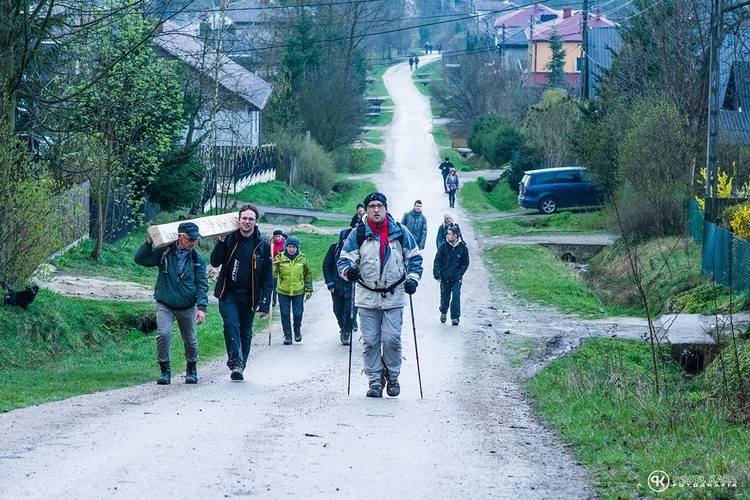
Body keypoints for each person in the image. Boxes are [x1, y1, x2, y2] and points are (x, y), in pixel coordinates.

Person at [337, 192, 423, 398]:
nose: (376, 210)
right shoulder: (357, 234)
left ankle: (392, 376)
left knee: (392, 339)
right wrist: (349, 272)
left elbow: (415, 259)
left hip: (394, 294)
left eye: (379, 206)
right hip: (367, 296)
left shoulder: (400, 232)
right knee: (370, 341)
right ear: (366, 210)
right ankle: (375, 381)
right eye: (372, 206)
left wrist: (413, 279)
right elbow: (343, 261)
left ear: (385, 208)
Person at [134, 221, 208, 385]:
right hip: (165, 303)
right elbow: (140, 259)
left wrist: (201, 308)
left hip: (186, 305)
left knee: (190, 339)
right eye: (190, 239)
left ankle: (191, 369)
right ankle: (165, 371)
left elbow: (202, 284)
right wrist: (148, 242)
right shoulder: (164, 252)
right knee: (164, 334)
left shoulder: (197, 259)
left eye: (195, 239)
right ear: (180, 237)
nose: (193, 243)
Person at [211, 204, 273, 381]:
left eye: (250, 219)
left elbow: (267, 278)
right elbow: (215, 262)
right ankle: (235, 362)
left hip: (250, 296)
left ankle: (241, 365)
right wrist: (221, 241)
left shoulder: (262, 246)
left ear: (256, 222)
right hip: (228, 293)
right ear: (238, 220)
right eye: (244, 218)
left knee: (245, 331)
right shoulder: (229, 240)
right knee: (232, 325)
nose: (247, 222)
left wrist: (265, 302)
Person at [273, 235, 313, 345]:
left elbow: (308, 275)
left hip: (298, 291)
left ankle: (297, 330)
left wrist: (309, 290)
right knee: (285, 314)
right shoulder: (280, 258)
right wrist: (271, 267)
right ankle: (287, 335)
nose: (291, 249)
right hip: (283, 290)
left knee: (298, 313)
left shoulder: (303, 258)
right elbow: (274, 273)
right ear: (286, 247)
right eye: (289, 247)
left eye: (293, 247)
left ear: (297, 248)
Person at [433, 226, 470, 326]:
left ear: (455, 236)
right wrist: (437, 274)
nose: (447, 235)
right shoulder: (444, 246)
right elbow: (437, 260)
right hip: (445, 277)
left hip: (456, 278)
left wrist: (458, 274)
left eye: (449, 234)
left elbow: (465, 263)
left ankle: (455, 317)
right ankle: (444, 311)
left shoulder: (463, 248)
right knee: (445, 296)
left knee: (456, 296)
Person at [322, 229, 354, 345]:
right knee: (337, 310)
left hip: (351, 286)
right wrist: (329, 282)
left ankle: (346, 331)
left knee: (349, 310)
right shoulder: (334, 248)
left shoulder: (356, 249)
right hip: (336, 285)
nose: (347, 242)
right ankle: (342, 326)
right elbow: (326, 265)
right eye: (345, 239)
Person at [269, 229, 286, 306]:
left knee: (282, 283)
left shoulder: (285, 243)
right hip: (274, 265)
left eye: (279, 236)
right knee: (274, 283)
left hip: (283, 265)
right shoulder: (271, 244)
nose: (278, 238)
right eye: (276, 236)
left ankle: (283, 300)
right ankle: (273, 300)